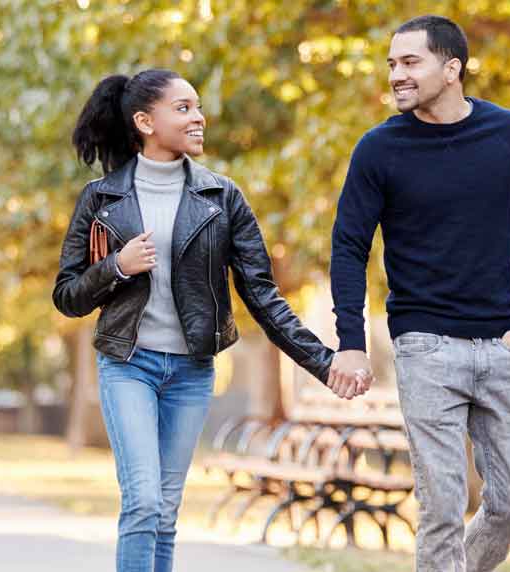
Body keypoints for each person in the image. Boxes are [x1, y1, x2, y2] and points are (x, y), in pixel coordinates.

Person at [53, 68, 369, 572]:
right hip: (128, 366)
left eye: (197, 106)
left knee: (166, 512)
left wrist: (324, 363)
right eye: (183, 108)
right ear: (145, 121)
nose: (199, 117)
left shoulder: (222, 198)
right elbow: (67, 296)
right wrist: (116, 267)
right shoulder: (102, 198)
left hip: (189, 373)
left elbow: (263, 297)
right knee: (143, 503)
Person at [327, 15, 510, 572]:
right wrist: (351, 341)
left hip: (504, 347)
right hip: (425, 347)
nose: (397, 75)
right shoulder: (378, 149)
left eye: (410, 63)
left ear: (451, 68)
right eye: (392, 64)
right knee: (443, 506)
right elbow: (349, 247)